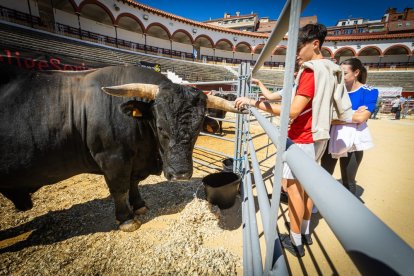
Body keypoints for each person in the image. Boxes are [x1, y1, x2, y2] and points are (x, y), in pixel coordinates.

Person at [234, 24, 353, 257]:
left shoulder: (310, 71)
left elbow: (293, 110)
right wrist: (260, 91)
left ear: (315, 44)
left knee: (293, 189)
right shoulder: (330, 69)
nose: (296, 53)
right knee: (307, 188)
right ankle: (305, 232)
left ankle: (295, 240)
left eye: (299, 47)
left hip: (302, 137)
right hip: (318, 136)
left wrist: (252, 103)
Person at [321, 58, 379, 195]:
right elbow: (325, 117)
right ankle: (317, 204)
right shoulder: (334, 90)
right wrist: (352, 114)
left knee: (348, 181)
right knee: (323, 175)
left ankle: (349, 213)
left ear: (356, 72)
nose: (341, 77)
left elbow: (361, 117)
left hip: (353, 144)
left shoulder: (369, 91)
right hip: (331, 140)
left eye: (345, 73)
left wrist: (335, 117)